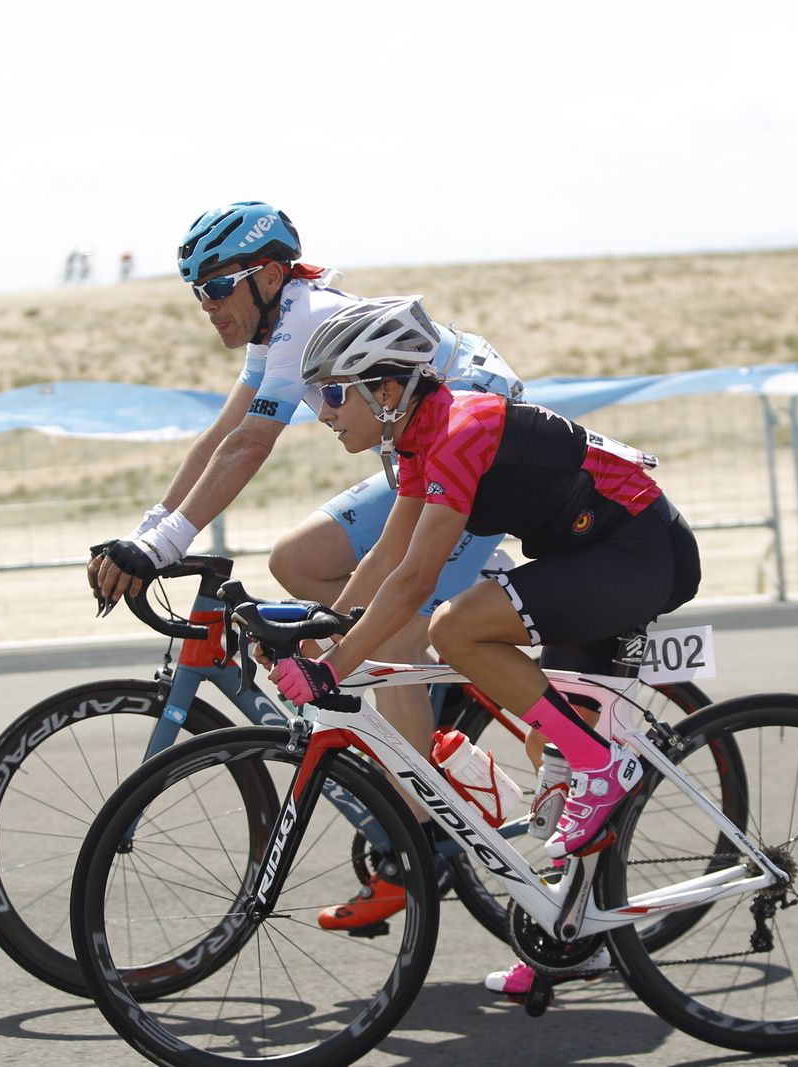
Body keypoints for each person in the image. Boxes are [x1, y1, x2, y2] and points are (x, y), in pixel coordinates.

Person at [89, 201, 523, 931]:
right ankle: (429, 710)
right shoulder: (276, 322)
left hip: (473, 449)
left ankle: (411, 851)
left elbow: (249, 449)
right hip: (418, 453)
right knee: (300, 563)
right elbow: (221, 435)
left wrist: (160, 549)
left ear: (263, 275)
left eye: (216, 287)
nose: (207, 305)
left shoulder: (308, 318)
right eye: (195, 291)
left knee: (376, 634)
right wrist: (148, 533)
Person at [271, 295, 702, 1000]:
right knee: (555, 769)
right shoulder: (415, 439)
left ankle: (602, 762)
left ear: (385, 391)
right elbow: (383, 558)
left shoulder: (460, 428)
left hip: (636, 549)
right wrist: (315, 634)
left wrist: (329, 667)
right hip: (594, 553)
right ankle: (576, 938)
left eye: (331, 392)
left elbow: (413, 583)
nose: (320, 409)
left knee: (456, 627)